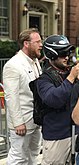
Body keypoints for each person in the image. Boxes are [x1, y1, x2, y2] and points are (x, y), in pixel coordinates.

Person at [36, 34, 79, 165]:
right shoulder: (44, 79)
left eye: (68, 52)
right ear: (52, 54)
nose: (67, 57)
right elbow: (53, 99)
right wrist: (71, 78)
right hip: (56, 136)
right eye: (63, 53)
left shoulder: (71, 72)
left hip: (77, 132)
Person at [3, 28, 43, 165]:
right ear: (26, 44)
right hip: (22, 123)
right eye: (37, 42)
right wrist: (18, 122)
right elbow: (11, 97)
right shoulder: (13, 65)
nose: (41, 44)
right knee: (18, 158)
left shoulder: (35, 61)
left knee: (34, 155)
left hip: (36, 120)